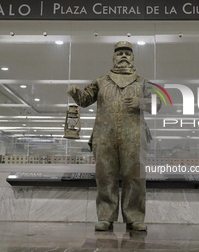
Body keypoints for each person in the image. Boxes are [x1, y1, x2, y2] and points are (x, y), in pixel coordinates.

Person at [67, 41, 161, 231]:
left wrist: (139, 101)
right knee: (104, 176)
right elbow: (85, 100)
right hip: (104, 135)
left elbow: (157, 104)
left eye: (127, 53)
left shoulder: (143, 82)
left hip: (134, 136)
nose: (123, 56)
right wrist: (76, 94)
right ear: (114, 58)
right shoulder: (101, 81)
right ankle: (105, 217)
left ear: (133, 58)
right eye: (119, 54)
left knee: (135, 177)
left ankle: (134, 217)